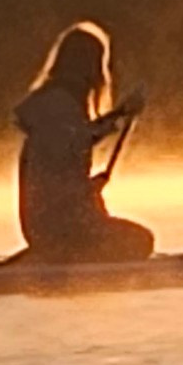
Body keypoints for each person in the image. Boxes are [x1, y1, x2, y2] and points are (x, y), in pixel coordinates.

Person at [13, 21, 153, 264]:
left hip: (50, 226)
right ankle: (64, 256)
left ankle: (60, 255)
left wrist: (120, 115)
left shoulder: (60, 107)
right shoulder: (58, 106)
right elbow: (69, 152)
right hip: (58, 229)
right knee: (142, 240)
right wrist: (119, 115)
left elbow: (76, 143)